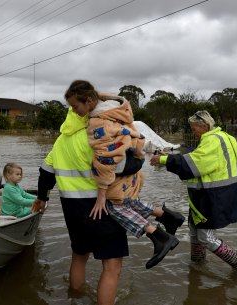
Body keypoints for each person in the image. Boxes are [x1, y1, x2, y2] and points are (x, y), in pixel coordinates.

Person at [64, 80, 185, 269]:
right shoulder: (116, 108)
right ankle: (167, 216)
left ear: (88, 101)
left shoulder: (98, 122)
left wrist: (101, 195)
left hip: (121, 163)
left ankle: (157, 236)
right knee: (124, 198)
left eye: (75, 106)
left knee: (111, 205)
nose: (73, 110)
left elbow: (105, 158)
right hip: (134, 157)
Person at [150, 110, 237, 280]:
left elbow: (195, 164)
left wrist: (163, 160)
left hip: (211, 196)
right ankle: (197, 267)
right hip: (216, 194)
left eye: (194, 127)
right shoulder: (226, 137)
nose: (192, 131)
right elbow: (202, 158)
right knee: (195, 232)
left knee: (206, 237)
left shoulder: (211, 141)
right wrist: (172, 157)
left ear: (203, 125)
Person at [33, 107, 128, 305]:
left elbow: (45, 173)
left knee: (79, 256)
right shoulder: (100, 134)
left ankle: (75, 297)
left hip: (71, 206)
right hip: (101, 206)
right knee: (112, 266)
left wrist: (42, 198)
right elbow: (121, 167)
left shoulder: (62, 139)